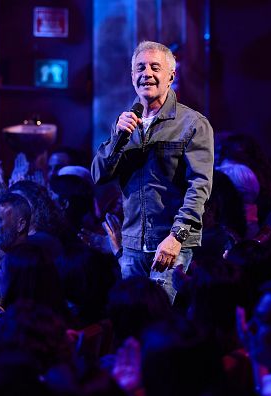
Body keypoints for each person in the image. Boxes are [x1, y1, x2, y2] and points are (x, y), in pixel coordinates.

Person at [91, 41, 214, 302]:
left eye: (155, 67)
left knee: (161, 318)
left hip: (171, 243)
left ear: (171, 76)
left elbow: (199, 189)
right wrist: (116, 138)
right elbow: (98, 175)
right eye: (140, 68)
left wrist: (177, 237)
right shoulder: (125, 123)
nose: (146, 73)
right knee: (132, 317)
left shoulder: (192, 124)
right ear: (132, 76)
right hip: (132, 244)